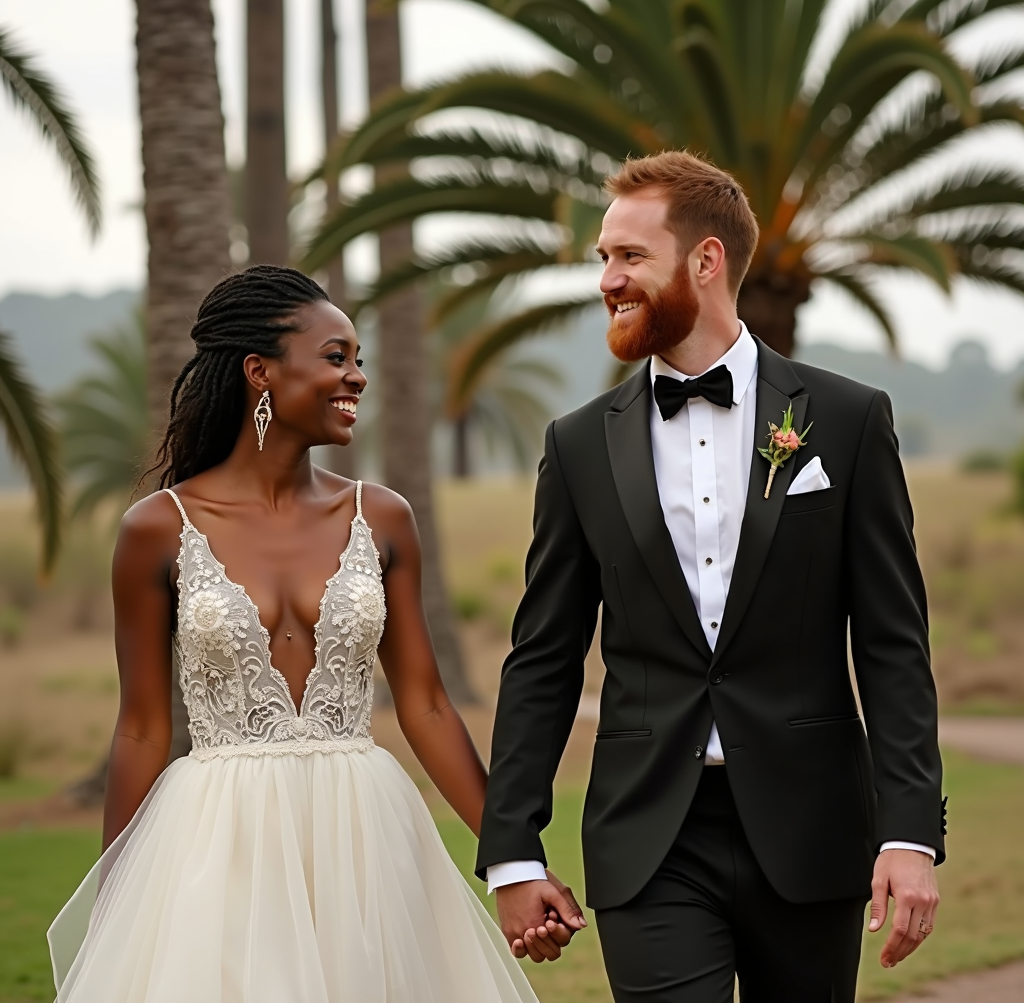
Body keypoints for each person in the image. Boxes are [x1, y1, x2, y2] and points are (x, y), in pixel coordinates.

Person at [478, 151, 946, 1001]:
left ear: (706, 260)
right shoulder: (579, 445)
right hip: (649, 835)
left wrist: (910, 833)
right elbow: (544, 656)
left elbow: (892, 644)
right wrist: (513, 848)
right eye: (603, 260)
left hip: (812, 833)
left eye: (629, 257)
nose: (608, 281)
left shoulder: (844, 420)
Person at [47, 265, 584, 1002]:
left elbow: (425, 704)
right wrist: (118, 892)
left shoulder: (383, 516)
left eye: (359, 359)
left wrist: (513, 862)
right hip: (215, 837)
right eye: (336, 357)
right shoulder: (155, 530)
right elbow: (141, 727)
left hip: (363, 835)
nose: (357, 377)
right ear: (259, 371)